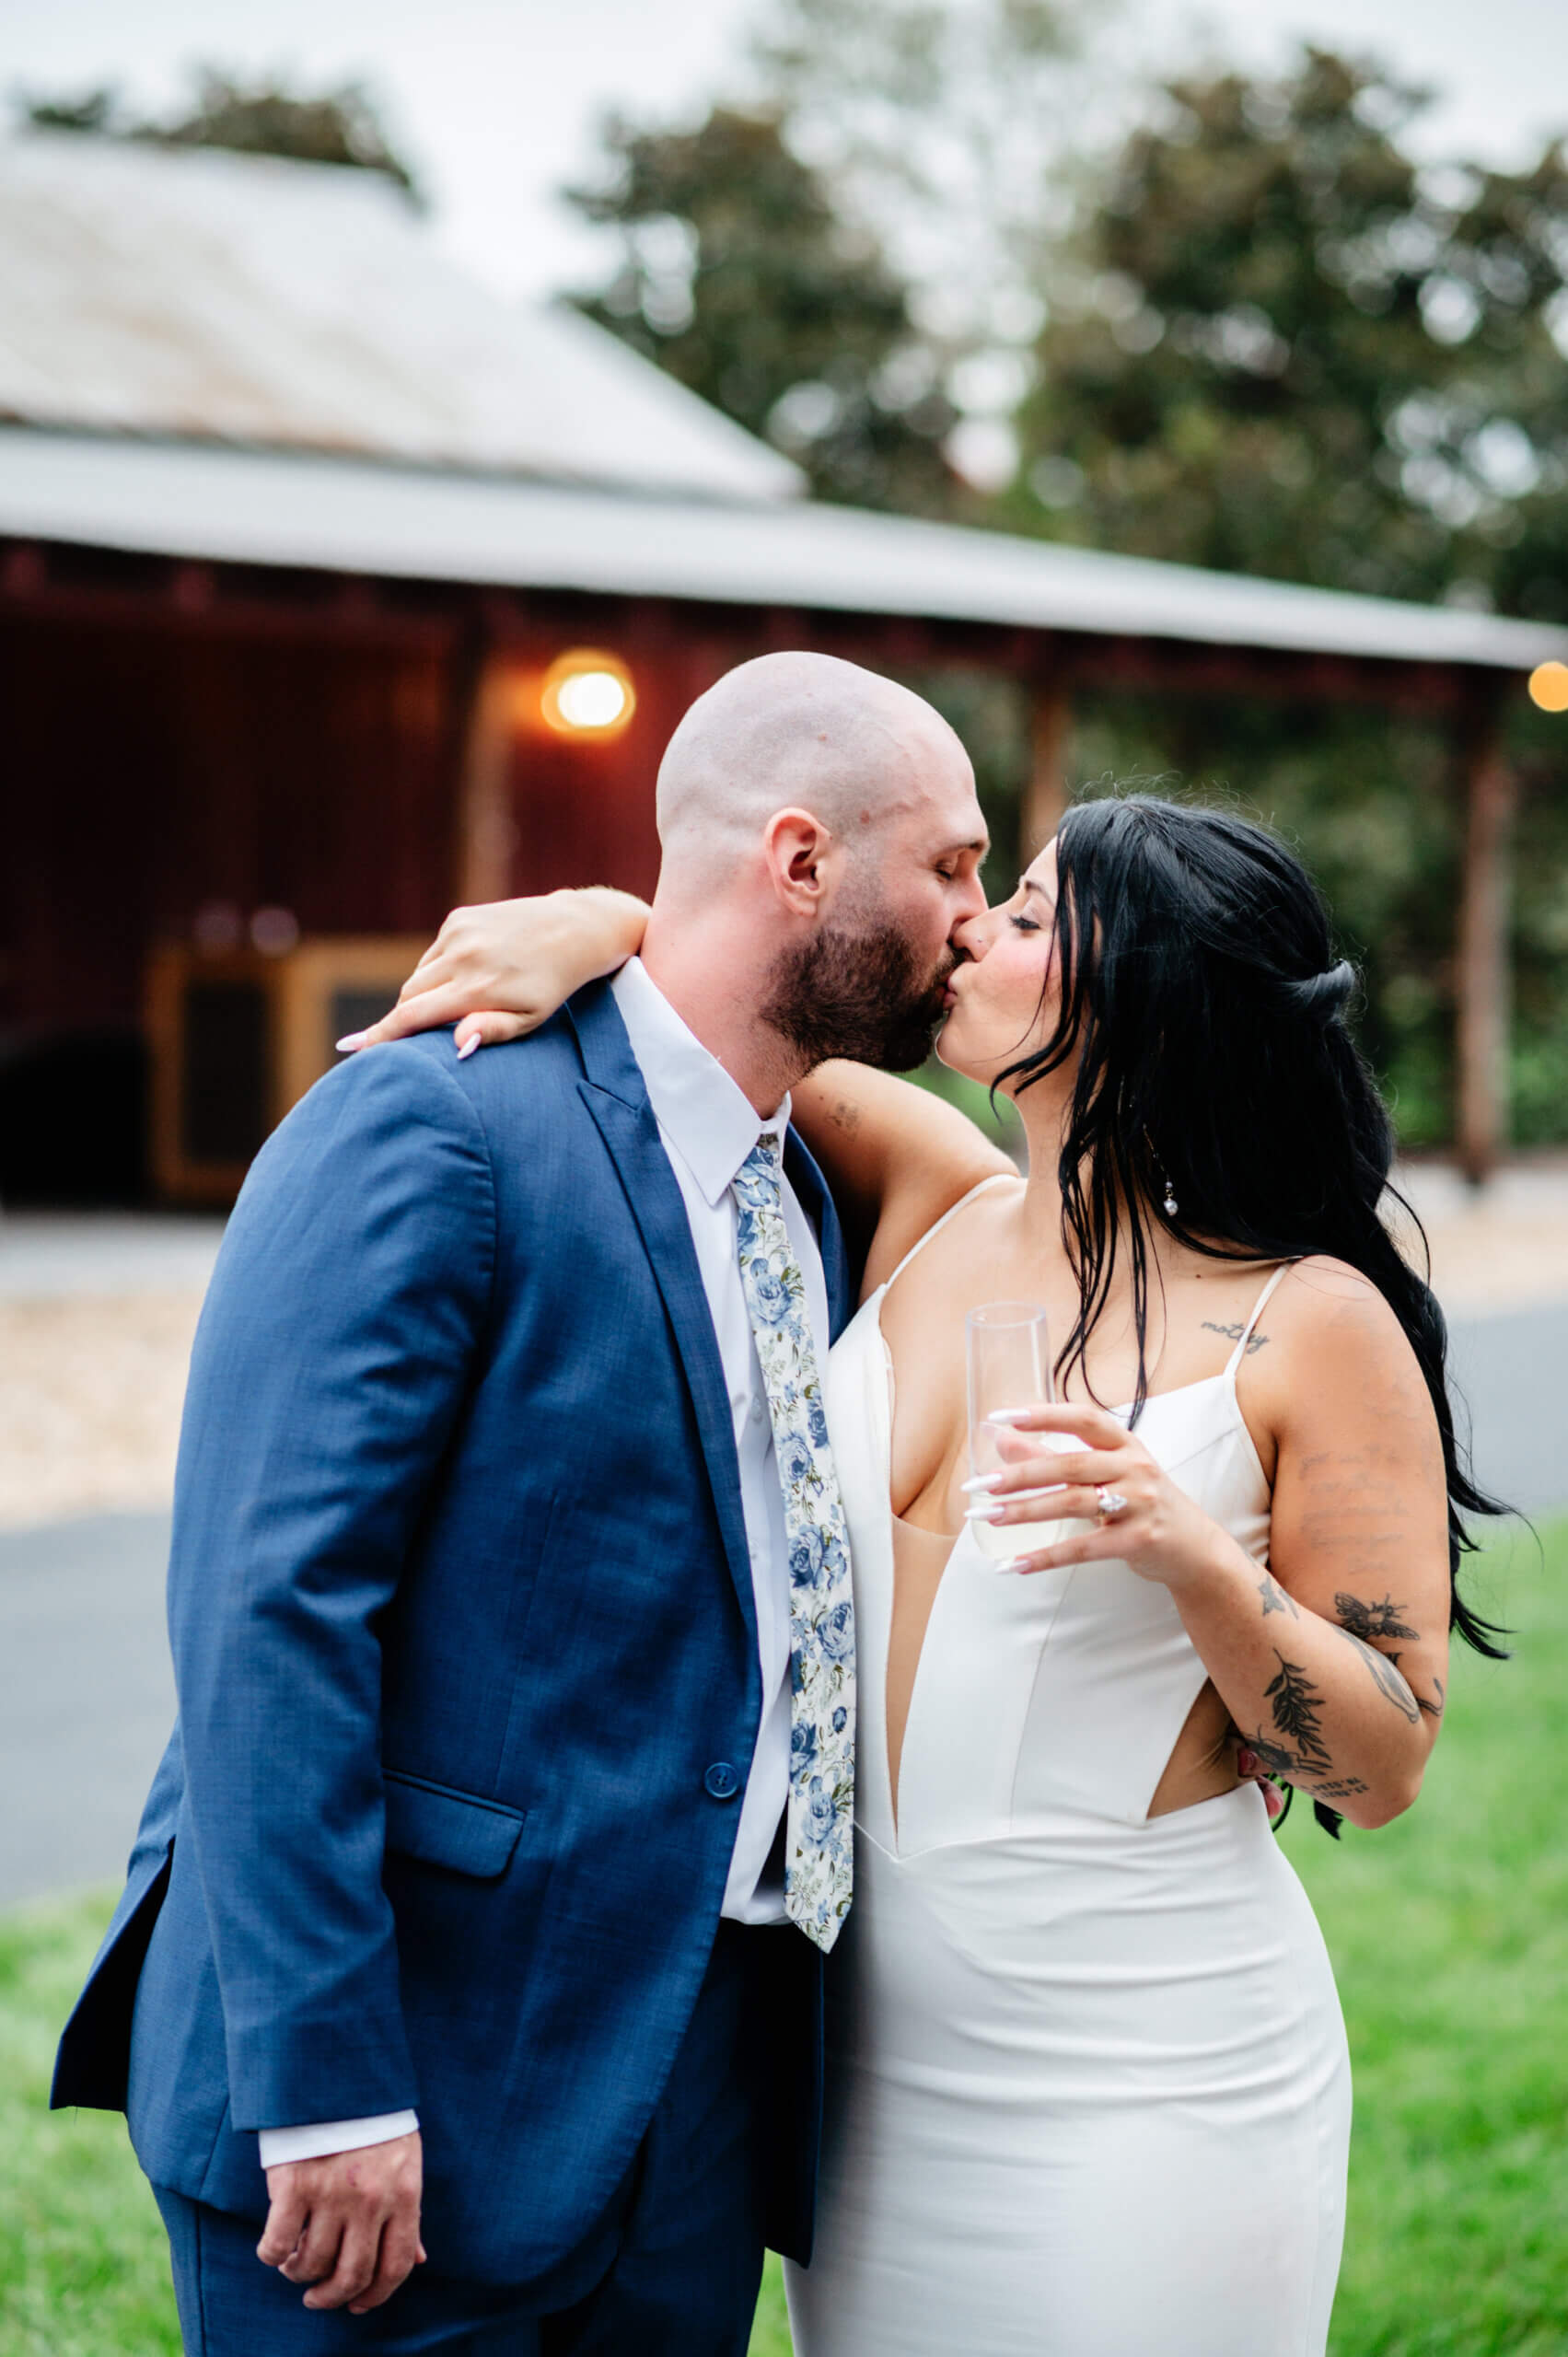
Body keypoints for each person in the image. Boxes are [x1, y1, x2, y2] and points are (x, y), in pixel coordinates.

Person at [369, 789, 1504, 2355]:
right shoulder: (934, 1196)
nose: (972, 926)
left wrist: (1191, 1559)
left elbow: (1379, 1762)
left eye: (1031, 915)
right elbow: (730, 1005)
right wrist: (601, 925)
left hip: (1145, 2069)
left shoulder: (1307, 1324)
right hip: (872, 2075)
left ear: (1150, 998)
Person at [52, 651, 996, 2355]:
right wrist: (328, 2083)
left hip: (690, 2096)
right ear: (801, 860)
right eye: (951, 864)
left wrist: (613, 919)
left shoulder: (812, 1191)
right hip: (402, 2068)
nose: (974, 916)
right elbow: (270, 1608)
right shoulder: (433, 1128)